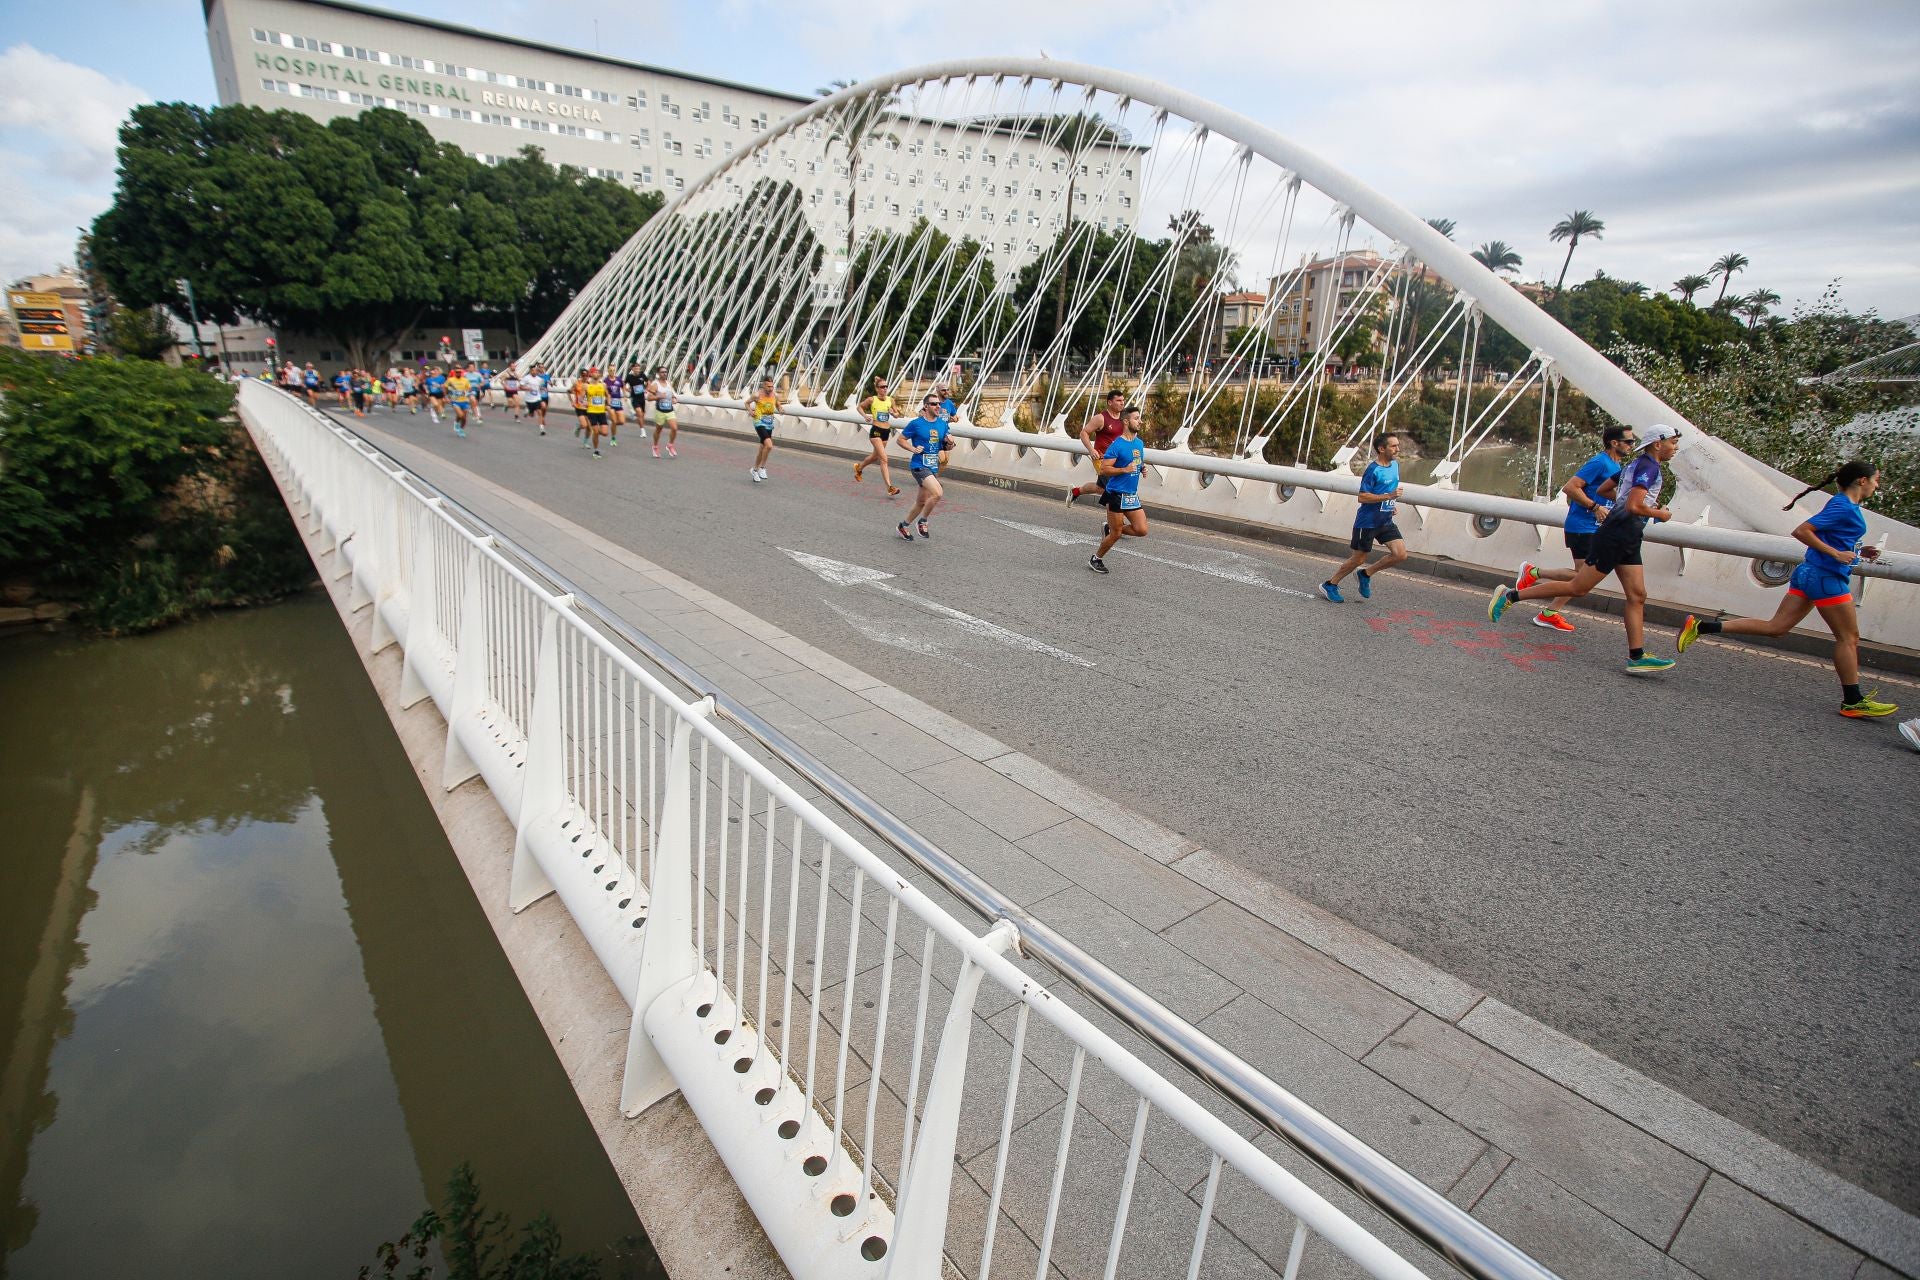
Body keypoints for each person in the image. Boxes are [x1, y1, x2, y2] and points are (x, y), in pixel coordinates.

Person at [1676, 461, 1898, 717]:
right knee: (1848, 639)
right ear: (1862, 480)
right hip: (1826, 577)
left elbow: (1829, 536)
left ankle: (1700, 627)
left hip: (1809, 573)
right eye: (1876, 479)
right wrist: (1835, 553)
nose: (1876, 485)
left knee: (1776, 628)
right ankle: (1853, 701)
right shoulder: (1843, 506)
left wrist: (1858, 550)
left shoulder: (1842, 505)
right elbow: (1802, 531)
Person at [1489, 423, 1683, 674]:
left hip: (1629, 536)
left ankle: (1637, 657)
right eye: (1673, 442)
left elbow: (1605, 490)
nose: (1675, 447)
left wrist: (1633, 501)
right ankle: (1510, 596)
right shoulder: (1649, 467)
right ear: (1658, 443)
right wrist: (1660, 513)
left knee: (1637, 595)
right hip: (1616, 535)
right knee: (1578, 587)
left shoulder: (1632, 466)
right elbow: (1634, 506)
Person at [1513, 426, 1637, 632]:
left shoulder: (1615, 465)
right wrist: (1595, 507)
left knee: (1582, 578)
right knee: (1582, 578)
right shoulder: (1600, 462)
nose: (1632, 445)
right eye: (1629, 442)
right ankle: (1534, 576)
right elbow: (1570, 487)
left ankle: (1548, 609)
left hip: (1595, 528)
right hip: (1582, 526)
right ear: (1615, 443)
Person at [1320, 432, 1409, 601]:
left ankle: (1365, 574)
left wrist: (1390, 505)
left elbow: (1385, 491)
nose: (1398, 449)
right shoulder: (1373, 470)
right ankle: (1330, 584)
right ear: (1382, 449)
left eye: (1398, 445)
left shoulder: (1395, 466)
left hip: (1385, 520)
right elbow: (1362, 496)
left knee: (1401, 554)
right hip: (1367, 523)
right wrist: (1388, 497)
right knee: (1359, 558)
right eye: (1394, 446)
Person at [1088, 406, 1149, 573]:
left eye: (1140, 418)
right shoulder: (1117, 445)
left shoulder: (1139, 443)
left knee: (1141, 529)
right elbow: (1104, 469)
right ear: (1126, 421)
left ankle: (1111, 528)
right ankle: (1096, 558)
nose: (1140, 421)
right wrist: (1124, 470)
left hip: (1131, 495)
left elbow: (1135, 461)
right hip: (1115, 494)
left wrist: (1141, 468)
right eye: (1137, 418)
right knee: (1116, 535)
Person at [895, 394, 953, 539]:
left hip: (933, 466)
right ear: (926, 406)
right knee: (938, 493)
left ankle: (903, 526)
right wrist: (912, 449)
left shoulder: (942, 424)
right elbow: (900, 440)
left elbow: (946, 447)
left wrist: (950, 442)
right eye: (934, 404)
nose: (938, 406)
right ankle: (923, 521)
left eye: (939, 404)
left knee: (921, 502)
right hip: (919, 465)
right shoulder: (916, 424)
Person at [1066, 390, 1128, 506]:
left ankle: (1075, 491)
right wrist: (1091, 450)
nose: (1122, 403)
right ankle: (1113, 523)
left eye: (1123, 400)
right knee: (1113, 490)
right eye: (1118, 400)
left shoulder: (1124, 418)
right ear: (1110, 402)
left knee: (1100, 488)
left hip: (1117, 460)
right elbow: (1084, 433)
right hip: (1102, 459)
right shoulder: (1101, 418)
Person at [855, 376, 902, 494]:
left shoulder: (890, 400)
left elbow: (897, 414)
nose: (885, 389)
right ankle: (890, 487)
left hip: (886, 432)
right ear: (877, 389)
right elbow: (859, 407)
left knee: (875, 457)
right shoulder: (872, 399)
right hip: (876, 431)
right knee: (884, 459)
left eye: (886, 387)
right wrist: (865, 416)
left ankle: (859, 468)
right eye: (882, 387)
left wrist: (894, 413)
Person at [746, 378, 778, 480]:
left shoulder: (774, 394)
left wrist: (780, 408)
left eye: (772, 386)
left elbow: (777, 403)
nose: (771, 388)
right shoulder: (757, 395)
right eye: (769, 386)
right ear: (764, 386)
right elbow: (746, 403)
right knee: (769, 446)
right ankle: (762, 468)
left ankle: (754, 470)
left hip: (769, 423)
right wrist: (750, 411)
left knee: (762, 448)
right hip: (759, 422)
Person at [647, 367, 679, 458]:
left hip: (669, 410)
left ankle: (670, 445)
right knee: (658, 429)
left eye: (666, 372)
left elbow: (671, 394)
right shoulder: (655, 384)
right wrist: (659, 397)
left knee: (674, 428)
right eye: (662, 372)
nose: (664, 373)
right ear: (658, 373)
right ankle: (655, 447)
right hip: (660, 411)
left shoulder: (669, 383)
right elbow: (649, 398)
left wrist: (673, 398)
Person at [578, 367, 610, 457]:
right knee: (596, 431)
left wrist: (608, 403)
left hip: (601, 411)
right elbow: (580, 398)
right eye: (594, 372)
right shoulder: (586, 386)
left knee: (605, 433)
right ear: (591, 374)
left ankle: (594, 430)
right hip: (591, 411)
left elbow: (608, 395)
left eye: (597, 372)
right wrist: (584, 403)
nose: (596, 373)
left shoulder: (603, 385)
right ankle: (596, 451)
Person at [444, 365, 475, 437]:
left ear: (462, 372)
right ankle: (457, 424)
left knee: (464, 418)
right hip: (455, 401)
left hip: (464, 401)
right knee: (461, 415)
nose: (458, 373)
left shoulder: (465, 380)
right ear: (454, 372)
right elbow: (445, 387)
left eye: (460, 372)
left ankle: (461, 429)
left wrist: (468, 393)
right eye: (457, 372)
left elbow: (469, 389)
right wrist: (446, 397)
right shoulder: (450, 380)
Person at [524, 365, 550, 435]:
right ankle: (528, 410)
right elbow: (520, 387)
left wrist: (544, 388)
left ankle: (542, 429)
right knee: (531, 415)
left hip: (538, 398)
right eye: (533, 370)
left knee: (540, 412)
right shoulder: (526, 378)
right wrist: (527, 388)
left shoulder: (539, 379)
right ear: (530, 371)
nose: (534, 372)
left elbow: (542, 386)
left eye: (535, 370)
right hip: (529, 399)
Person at [605, 365, 625, 444]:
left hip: (618, 402)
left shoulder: (619, 379)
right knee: (614, 420)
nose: (612, 372)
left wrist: (624, 394)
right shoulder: (605, 381)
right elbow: (605, 392)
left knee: (621, 421)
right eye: (610, 370)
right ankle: (613, 438)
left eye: (613, 370)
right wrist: (608, 399)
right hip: (610, 403)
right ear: (608, 371)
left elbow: (623, 386)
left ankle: (610, 422)